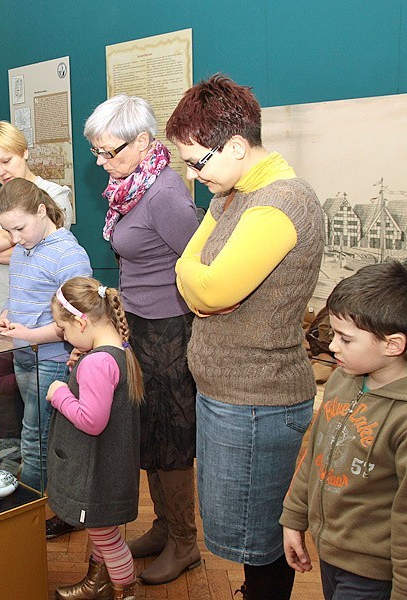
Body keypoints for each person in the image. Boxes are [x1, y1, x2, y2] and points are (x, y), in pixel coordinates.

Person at [167, 74, 325, 600]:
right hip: (228, 394)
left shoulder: (281, 201)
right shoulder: (231, 193)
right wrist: (198, 281)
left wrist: (198, 282)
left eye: (196, 162)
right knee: (246, 534)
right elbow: (191, 271)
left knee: (262, 540)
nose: (193, 175)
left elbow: (209, 288)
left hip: (259, 399)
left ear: (236, 146)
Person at [83, 94, 201, 584]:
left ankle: (185, 542)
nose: (101, 162)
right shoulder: (131, 186)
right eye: (97, 152)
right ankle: (163, 526)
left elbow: (199, 264)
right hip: (142, 324)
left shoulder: (165, 196)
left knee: (171, 438)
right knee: (149, 430)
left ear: (145, 141)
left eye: (110, 152)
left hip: (171, 329)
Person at [0, 121, 73, 513]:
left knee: (42, 407)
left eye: (6, 160)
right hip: (1, 311)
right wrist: (10, 237)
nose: (1, 170)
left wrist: (1, 240)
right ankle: (11, 465)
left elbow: (30, 248)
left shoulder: (54, 194)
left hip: (43, 325)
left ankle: (43, 483)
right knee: (8, 390)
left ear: (24, 152)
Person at [281, 260, 407, 600]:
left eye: (345, 339)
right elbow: (315, 455)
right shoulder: (342, 380)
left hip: (376, 573)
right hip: (331, 555)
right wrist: (293, 518)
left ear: (393, 345)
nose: (333, 346)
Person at [0, 178, 92, 495]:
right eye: (8, 231)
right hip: (23, 356)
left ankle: (30, 510)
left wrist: (31, 333)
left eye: (19, 228)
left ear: (41, 211)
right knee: (32, 432)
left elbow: (79, 322)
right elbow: (20, 295)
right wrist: (6, 316)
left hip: (52, 361)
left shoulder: (69, 255)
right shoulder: (22, 251)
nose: (14, 238)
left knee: (36, 438)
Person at [46, 277, 143, 600]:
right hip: (110, 465)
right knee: (103, 530)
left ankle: (124, 591)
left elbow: (91, 421)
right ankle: (97, 584)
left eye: (64, 329)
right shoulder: (118, 349)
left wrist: (60, 393)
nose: (64, 336)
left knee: (106, 537)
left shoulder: (98, 362)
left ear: (81, 321)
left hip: (97, 473)